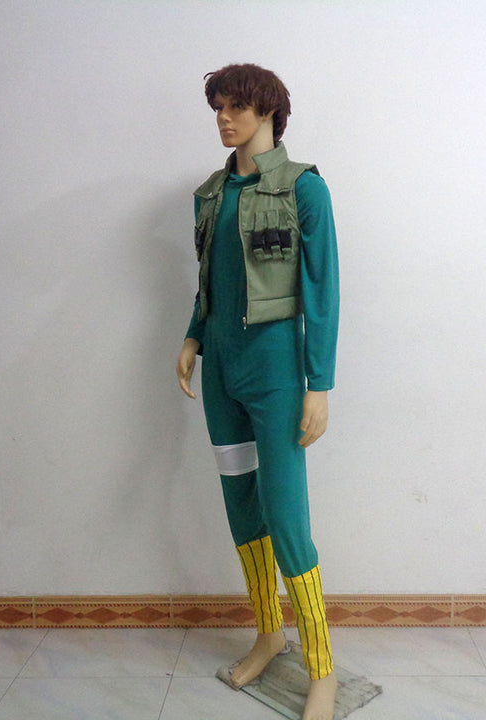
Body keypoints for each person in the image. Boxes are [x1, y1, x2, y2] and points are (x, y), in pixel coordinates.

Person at [176, 63, 339, 720]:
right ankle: (269, 634)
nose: (223, 118)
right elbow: (209, 281)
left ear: (268, 111)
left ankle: (321, 664)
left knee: (286, 514)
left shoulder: (305, 189)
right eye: (217, 107)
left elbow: (323, 291)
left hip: (275, 374)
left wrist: (318, 385)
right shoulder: (211, 194)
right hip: (220, 372)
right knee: (242, 507)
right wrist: (192, 337)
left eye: (236, 107)